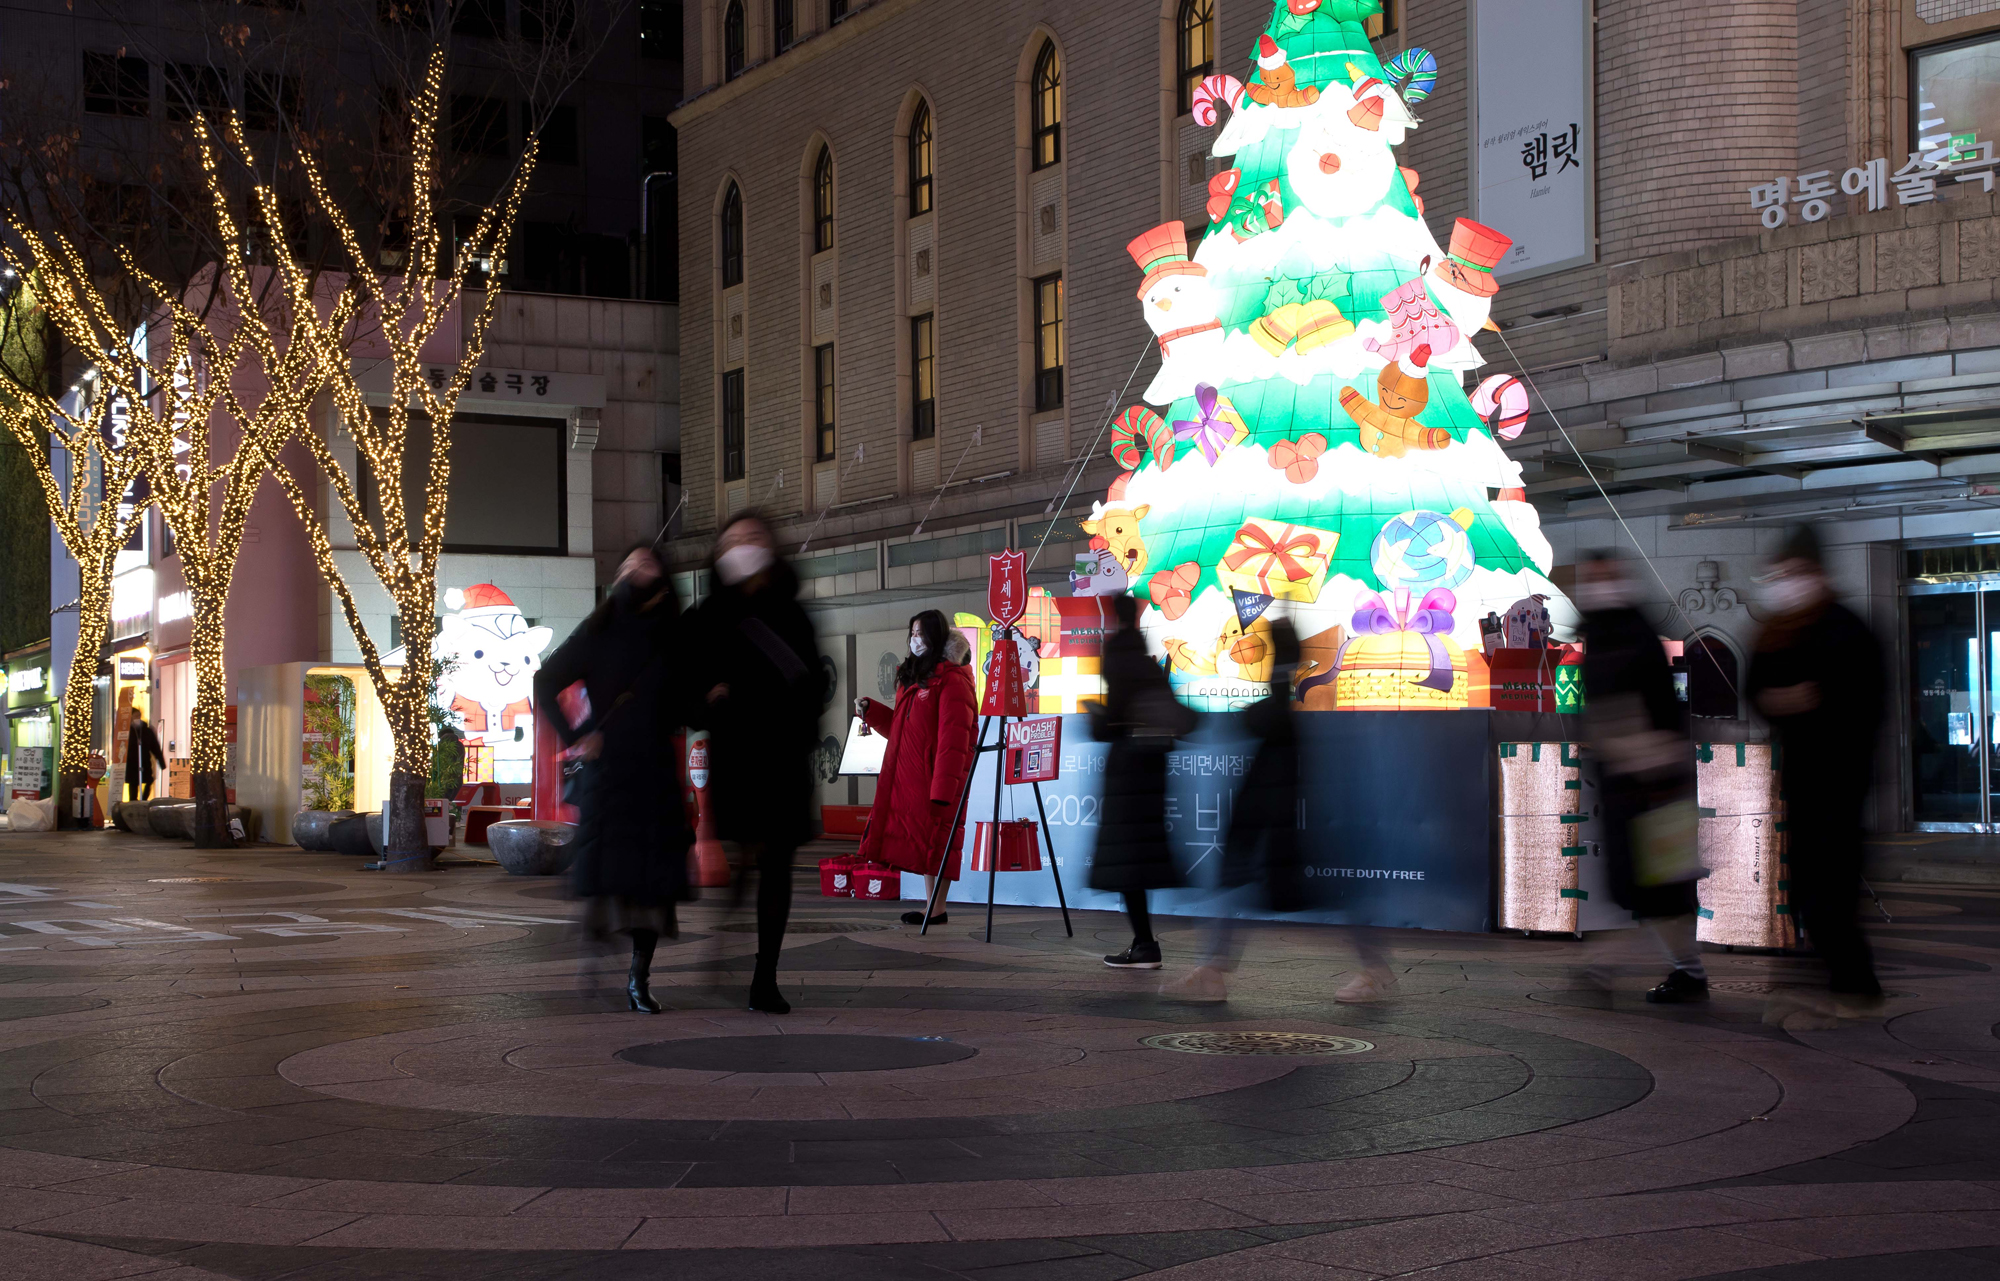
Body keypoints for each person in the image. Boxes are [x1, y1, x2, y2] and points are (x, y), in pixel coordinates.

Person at [535, 543, 691, 1015]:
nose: (634, 570)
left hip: (655, 772)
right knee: (606, 874)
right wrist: (577, 735)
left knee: (654, 882)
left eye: (645, 564)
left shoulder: (674, 635)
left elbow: (686, 701)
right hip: (608, 774)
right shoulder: (598, 629)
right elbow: (545, 681)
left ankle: (638, 978)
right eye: (627, 564)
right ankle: (596, 953)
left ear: (662, 578)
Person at [1746, 525, 1885, 1015]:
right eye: (1779, 573)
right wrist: (1784, 700)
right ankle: (1842, 978)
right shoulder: (1777, 631)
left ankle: (1856, 984)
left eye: (1795, 572)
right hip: (1800, 780)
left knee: (1831, 887)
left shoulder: (1846, 630)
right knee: (1806, 884)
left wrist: (1802, 702)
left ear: (1818, 573)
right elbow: (1757, 691)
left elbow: (1861, 704)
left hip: (1839, 780)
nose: (1785, 582)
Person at [692, 513, 822, 1015]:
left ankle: (765, 976)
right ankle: (727, 937)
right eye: (734, 541)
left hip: (783, 757)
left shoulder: (793, 612)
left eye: (753, 538)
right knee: (749, 854)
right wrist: (710, 702)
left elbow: (815, 684)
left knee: (776, 864)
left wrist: (800, 730)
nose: (744, 547)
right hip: (739, 760)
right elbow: (687, 682)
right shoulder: (710, 616)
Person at [1574, 551, 1708, 1004]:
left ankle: (1606, 967)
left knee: (1651, 886)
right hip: (1634, 778)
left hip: (1650, 780)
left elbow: (1641, 706)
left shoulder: (1628, 635)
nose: (1598, 585)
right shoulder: (1613, 632)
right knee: (1647, 885)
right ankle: (1683, 972)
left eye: (1605, 576)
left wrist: (1633, 749)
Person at [1162, 618, 1307, 1001]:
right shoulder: (1283, 694)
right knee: (1243, 883)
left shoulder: (1278, 697)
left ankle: (1211, 971)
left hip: (1263, 808)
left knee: (1240, 881)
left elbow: (1264, 719)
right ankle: (1211, 970)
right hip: (1267, 808)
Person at [854, 610, 978, 927]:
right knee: (926, 842)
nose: (915, 639)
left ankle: (937, 908)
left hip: (938, 778)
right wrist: (872, 711)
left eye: (921, 633)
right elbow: (902, 728)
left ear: (935, 636)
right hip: (913, 777)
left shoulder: (953, 678)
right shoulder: (915, 676)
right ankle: (932, 906)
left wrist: (944, 788)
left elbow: (955, 738)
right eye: (912, 633)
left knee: (940, 840)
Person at [1088, 594, 1192, 969]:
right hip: (1153, 772)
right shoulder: (1148, 663)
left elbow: (1111, 722)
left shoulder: (1117, 656)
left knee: (1125, 859)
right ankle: (1143, 942)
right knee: (1141, 855)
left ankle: (1145, 944)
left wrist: (1096, 717)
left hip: (1126, 774)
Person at [125, 713, 166, 803]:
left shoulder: (147, 731)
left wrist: (162, 763)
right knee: (133, 785)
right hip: (132, 764)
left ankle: (143, 801)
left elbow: (155, 748)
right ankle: (134, 803)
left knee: (148, 781)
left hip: (144, 762)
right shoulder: (128, 731)